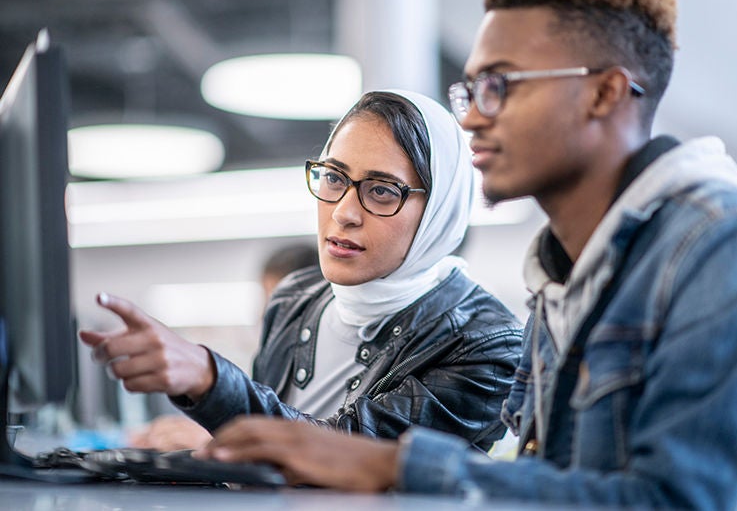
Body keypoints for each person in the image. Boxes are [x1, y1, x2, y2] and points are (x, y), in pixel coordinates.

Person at [194, 0, 737, 509]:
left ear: (605, 93)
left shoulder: (722, 243)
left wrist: (395, 466)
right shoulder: (562, 273)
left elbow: (676, 500)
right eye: (472, 88)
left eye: (501, 86)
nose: (475, 118)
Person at [79, 89, 523, 452]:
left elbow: (354, 455)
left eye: (382, 190)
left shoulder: (488, 345)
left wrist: (211, 381)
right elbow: (263, 469)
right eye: (333, 178)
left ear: (439, 211)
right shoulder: (296, 297)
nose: (344, 212)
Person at [126, 243, 320, 451]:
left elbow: (308, 450)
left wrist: (215, 442)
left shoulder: (327, 374)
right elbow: (266, 424)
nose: (265, 314)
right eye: (267, 303)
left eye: (280, 306)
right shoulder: (273, 364)